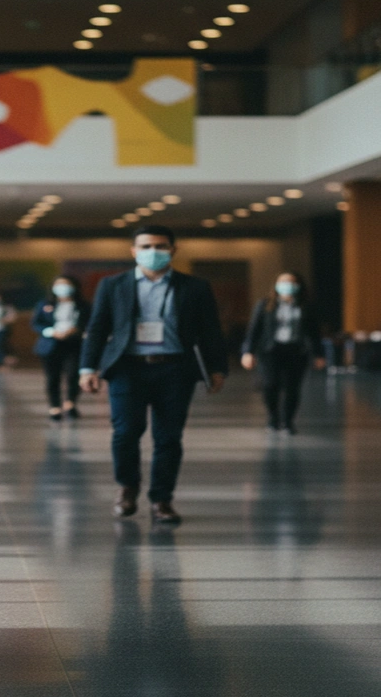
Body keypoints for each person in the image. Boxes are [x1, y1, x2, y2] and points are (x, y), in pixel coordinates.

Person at [79, 225, 227, 525]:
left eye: (160, 246)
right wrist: (87, 368)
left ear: (173, 250)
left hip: (175, 369)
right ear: (133, 251)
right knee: (125, 434)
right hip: (127, 368)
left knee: (168, 437)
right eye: (145, 246)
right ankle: (127, 487)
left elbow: (211, 330)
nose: (152, 252)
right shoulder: (113, 285)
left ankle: (162, 499)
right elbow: (97, 329)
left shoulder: (195, 287)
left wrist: (217, 368)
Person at [241, 272, 324, 434]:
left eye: (291, 282)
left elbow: (314, 333)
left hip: (296, 351)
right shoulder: (265, 304)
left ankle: (287, 422)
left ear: (298, 286)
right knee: (270, 385)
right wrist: (248, 352)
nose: (287, 285)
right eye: (283, 282)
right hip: (270, 351)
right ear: (276, 285)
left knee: (292, 388)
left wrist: (319, 354)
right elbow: (254, 330)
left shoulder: (306, 306)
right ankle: (273, 419)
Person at [31, 276, 90, 421]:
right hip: (51, 345)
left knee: (73, 374)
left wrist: (76, 330)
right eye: (59, 284)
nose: (63, 288)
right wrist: (51, 331)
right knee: (53, 377)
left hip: (74, 344)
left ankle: (70, 402)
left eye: (66, 284)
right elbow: (36, 323)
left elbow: (91, 323)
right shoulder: (45, 304)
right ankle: (54, 406)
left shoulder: (83, 305)